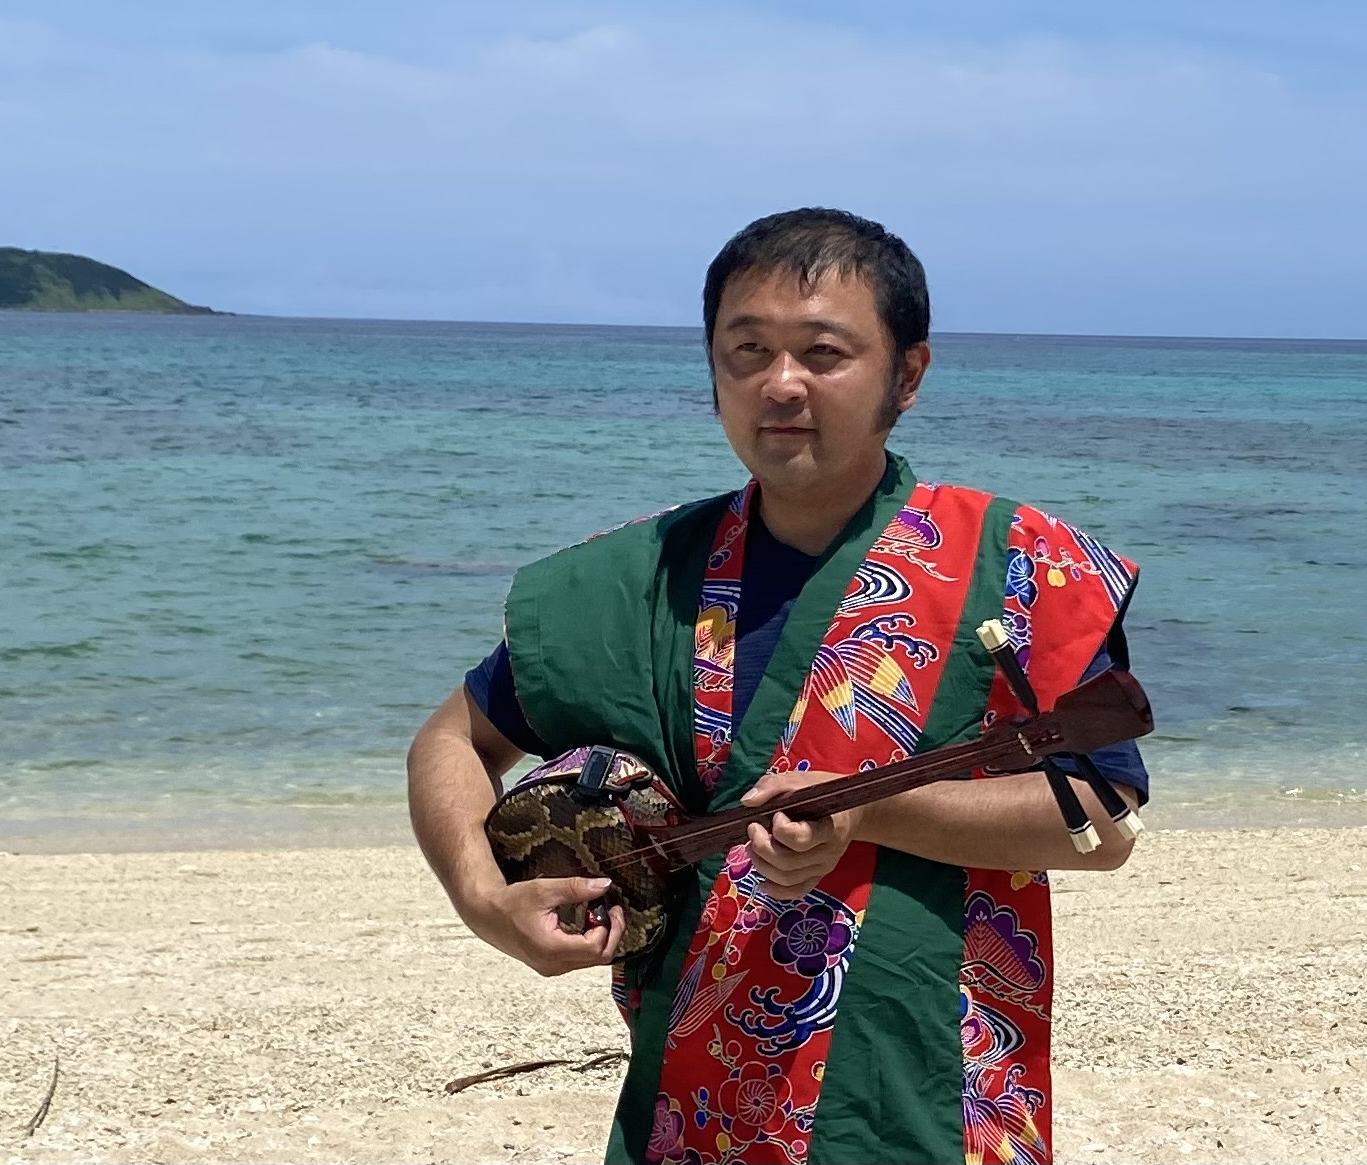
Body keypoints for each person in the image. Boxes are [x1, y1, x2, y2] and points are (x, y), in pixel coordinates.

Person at [407, 208, 1150, 1165]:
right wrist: (484, 902)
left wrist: (876, 816)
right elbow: (453, 742)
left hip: (934, 1087)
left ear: (907, 376)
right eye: (746, 350)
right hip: (687, 1092)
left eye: (823, 352)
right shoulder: (632, 580)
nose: (780, 383)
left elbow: (1103, 815)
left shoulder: (1013, 564)